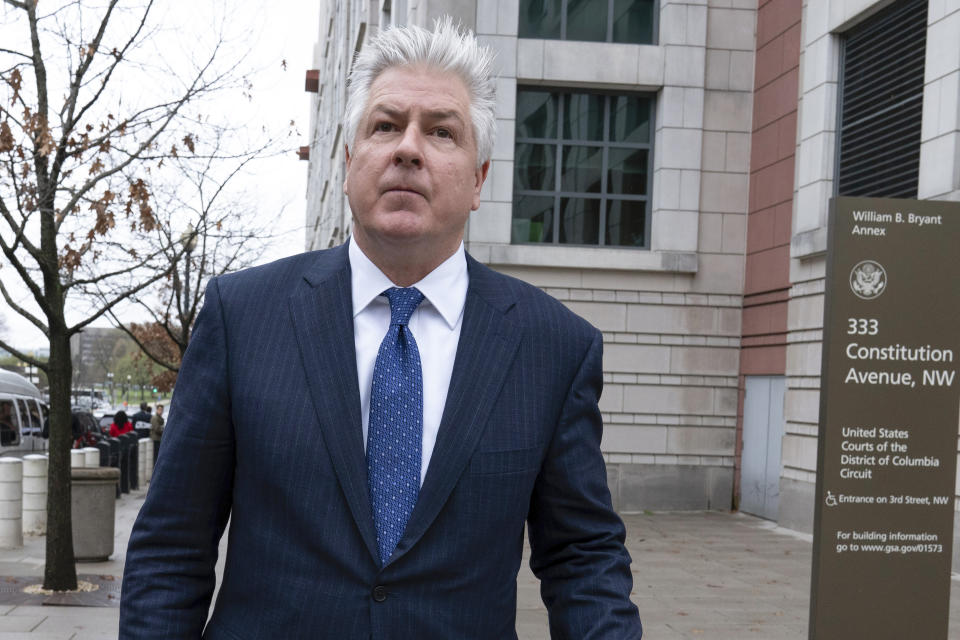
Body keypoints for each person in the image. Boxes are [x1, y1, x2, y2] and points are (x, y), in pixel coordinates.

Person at [120, 19, 642, 639]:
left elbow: (583, 560)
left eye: (442, 131)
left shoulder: (554, 347)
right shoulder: (242, 315)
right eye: (386, 125)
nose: (408, 148)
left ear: (478, 179)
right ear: (348, 162)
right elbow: (172, 546)